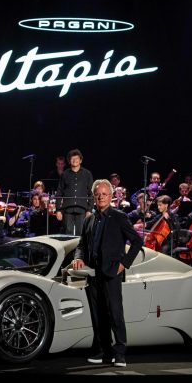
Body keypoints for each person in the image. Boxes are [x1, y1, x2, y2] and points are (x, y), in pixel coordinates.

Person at [72, 179, 143, 368]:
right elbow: (81, 244)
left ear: (111, 196)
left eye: (104, 194)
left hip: (112, 272)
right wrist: (78, 257)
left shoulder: (119, 217)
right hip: (92, 273)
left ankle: (120, 354)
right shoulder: (89, 219)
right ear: (93, 197)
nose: (101, 197)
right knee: (98, 315)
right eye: (97, 194)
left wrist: (124, 264)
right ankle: (104, 351)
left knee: (115, 313)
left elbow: (137, 242)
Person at [55, 149, 93, 235]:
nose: (75, 160)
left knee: (82, 234)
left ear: (80, 160)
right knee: (68, 234)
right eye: (72, 158)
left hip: (82, 209)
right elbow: (59, 193)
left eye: (77, 158)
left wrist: (89, 210)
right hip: (67, 209)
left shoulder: (87, 174)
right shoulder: (65, 174)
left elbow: (91, 193)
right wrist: (58, 210)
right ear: (69, 161)